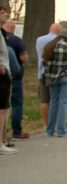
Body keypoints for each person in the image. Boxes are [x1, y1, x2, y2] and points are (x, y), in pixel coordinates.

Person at [43, 29, 67, 137]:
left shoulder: (49, 46)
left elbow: (44, 62)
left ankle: (50, 130)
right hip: (65, 76)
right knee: (63, 102)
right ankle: (61, 130)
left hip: (52, 78)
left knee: (53, 103)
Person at [2, 19, 30, 141]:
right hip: (14, 75)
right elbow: (24, 58)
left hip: (4, 76)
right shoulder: (16, 40)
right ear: (13, 28)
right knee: (16, 103)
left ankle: (3, 134)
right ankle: (16, 131)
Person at [35, 23, 62, 131]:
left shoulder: (39, 40)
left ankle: (46, 124)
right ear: (58, 31)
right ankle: (54, 124)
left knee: (45, 100)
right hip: (55, 73)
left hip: (42, 72)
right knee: (56, 99)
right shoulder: (59, 40)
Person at [0, 8, 17, 154]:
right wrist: (2, 68)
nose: (6, 15)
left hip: (6, 72)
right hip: (2, 73)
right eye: (3, 13)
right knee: (2, 109)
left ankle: (3, 139)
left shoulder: (2, 33)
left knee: (5, 108)